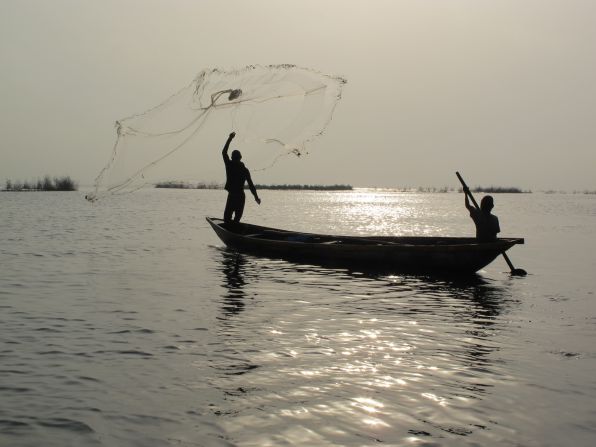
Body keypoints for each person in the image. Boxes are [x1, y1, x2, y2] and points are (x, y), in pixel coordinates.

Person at [221, 132, 261, 222]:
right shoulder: (244, 170)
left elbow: (224, 152)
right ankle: (234, 230)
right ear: (240, 158)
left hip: (233, 196)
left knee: (227, 219)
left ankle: (230, 232)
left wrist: (230, 138)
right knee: (236, 220)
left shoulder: (229, 165)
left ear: (232, 157)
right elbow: (251, 186)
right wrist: (256, 197)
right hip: (240, 197)